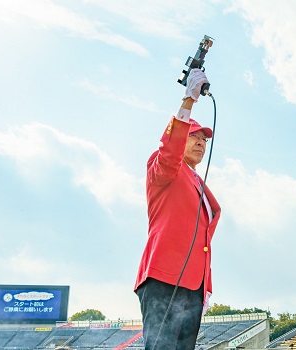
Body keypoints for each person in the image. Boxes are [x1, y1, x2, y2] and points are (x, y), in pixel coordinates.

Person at [134, 68, 222, 350]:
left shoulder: (199, 184)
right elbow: (168, 151)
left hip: (193, 287)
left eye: (204, 140)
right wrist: (188, 102)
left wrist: (203, 288)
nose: (201, 143)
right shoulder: (165, 170)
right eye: (195, 136)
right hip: (164, 277)